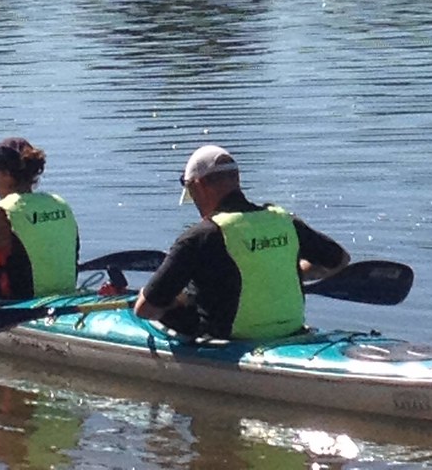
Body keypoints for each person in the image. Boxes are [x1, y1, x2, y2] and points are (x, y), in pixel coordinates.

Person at [134, 145, 350, 340]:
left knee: (168, 309)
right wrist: (286, 274)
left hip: (228, 339)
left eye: (192, 194)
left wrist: (180, 300)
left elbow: (145, 309)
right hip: (290, 332)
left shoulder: (199, 237)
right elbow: (339, 261)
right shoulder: (284, 222)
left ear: (199, 186)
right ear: (236, 179)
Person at [0, 137, 79, 300]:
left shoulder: (2, 212)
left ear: (7, 174)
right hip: (65, 296)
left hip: (20, 302)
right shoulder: (59, 203)